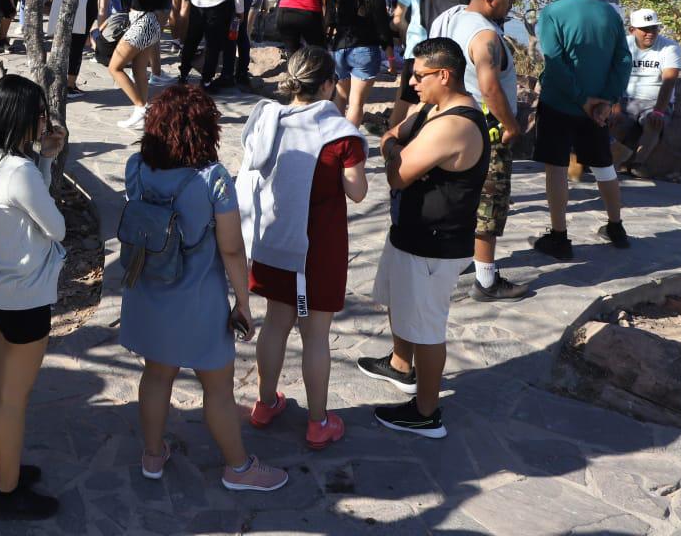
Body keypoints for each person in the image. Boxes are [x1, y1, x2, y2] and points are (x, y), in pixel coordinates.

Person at [119, 85, 288, 493]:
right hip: (197, 301)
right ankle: (238, 467)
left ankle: (153, 455)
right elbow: (231, 248)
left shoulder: (135, 167)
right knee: (218, 389)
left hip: (147, 291)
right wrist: (243, 303)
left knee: (156, 375)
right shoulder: (212, 179)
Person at [356, 37, 487, 439]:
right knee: (399, 301)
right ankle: (400, 365)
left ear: (444, 75)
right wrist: (399, 147)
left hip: (434, 242)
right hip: (409, 232)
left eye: (419, 76)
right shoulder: (432, 109)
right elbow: (389, 138)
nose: (412, 83)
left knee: (428, 328)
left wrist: (398, 151)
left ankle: (427, 412)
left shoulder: (454, 124)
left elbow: (395, 172)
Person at [238, 48, 367, 450]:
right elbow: (358, 192)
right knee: (316, 335)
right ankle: (318, 421)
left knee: (275, 321)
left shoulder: (267, 120)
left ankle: (264, 403)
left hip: (274, 240)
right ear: (329, 85)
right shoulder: (341, 135)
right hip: (319, 247)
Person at [0, 75, 67, 520]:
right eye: (40, 114)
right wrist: (44, 164)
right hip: (25, 298)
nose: (45, 121)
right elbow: (57, 227)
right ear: (22, 118)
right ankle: (8, 493)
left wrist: (44, 159)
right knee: (16, 397)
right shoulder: (21, 171)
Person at [430, 0, 530, 301]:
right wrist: (511, 125)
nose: (510, 8)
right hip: (487, 126)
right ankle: (486, 280)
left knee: (460, 196)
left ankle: (454, 259)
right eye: (508, 1)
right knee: (490, 200)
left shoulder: (455, 19)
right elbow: (489, 86)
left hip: (457, 118)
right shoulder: (486, 36)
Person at [531, 0, 633, 258]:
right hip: (599, 108)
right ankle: (616, 227)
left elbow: (556, 62)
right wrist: (607, 100)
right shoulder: (609, 13)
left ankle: (559, 237)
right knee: (604, 166)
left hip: (559, 103)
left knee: (557, 168)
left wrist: (581, 99)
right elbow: (623, 59)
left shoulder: (551, 13)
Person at [389, 0, 457, 128]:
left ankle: (392, 149)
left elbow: (398, 18)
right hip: (450, 53)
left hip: (417, 49)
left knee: (405, 103)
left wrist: (405, 38)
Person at [108, 0, 178, 130]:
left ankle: (141, 107)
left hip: (143, 23)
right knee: (139, 69)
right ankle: (142, 114)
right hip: (151, 23)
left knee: (115, 67)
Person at [329, 0, 397, 127]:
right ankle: (348, 143)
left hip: (340, 49)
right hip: (365, 51)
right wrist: (391, 59)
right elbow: (383, 30)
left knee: (340, 98)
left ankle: (332, 138)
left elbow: (330, 21)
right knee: (356, 103)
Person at [612, 8, 681, 178]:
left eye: (654, 28)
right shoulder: (623, 44)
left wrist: (659, 110)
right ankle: (608, 160)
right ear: (632, 30)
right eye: (645, 29)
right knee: (610, 121)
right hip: (625, 98)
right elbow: (612, 74)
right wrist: (613, 105)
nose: (650, 33)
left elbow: (669, 81)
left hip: (654, 100)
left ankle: (637, 163)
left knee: (653, 122)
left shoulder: (670, 47)